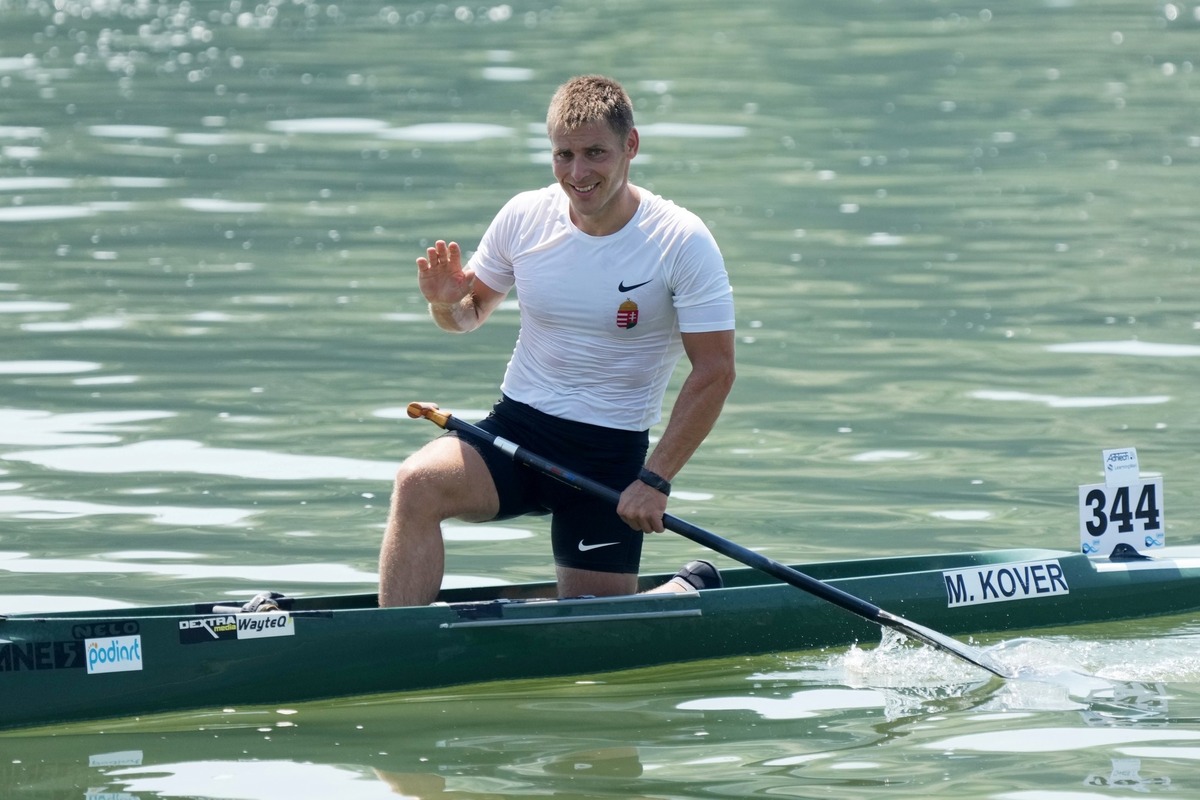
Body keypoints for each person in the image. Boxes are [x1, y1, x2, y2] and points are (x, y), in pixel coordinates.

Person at [379, 75, 735, 607]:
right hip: (516, 434)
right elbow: (466, 316)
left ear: (630, 146)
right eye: (563, 155)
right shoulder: (525, 216)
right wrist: (443, 302)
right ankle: (397, 645)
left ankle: (681, 589)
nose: (578, 173)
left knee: (596, 636)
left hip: (606, 457)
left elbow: (715, 371)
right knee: (417, 483)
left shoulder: (680, 240)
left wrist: (654, 480)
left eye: (595, 153)